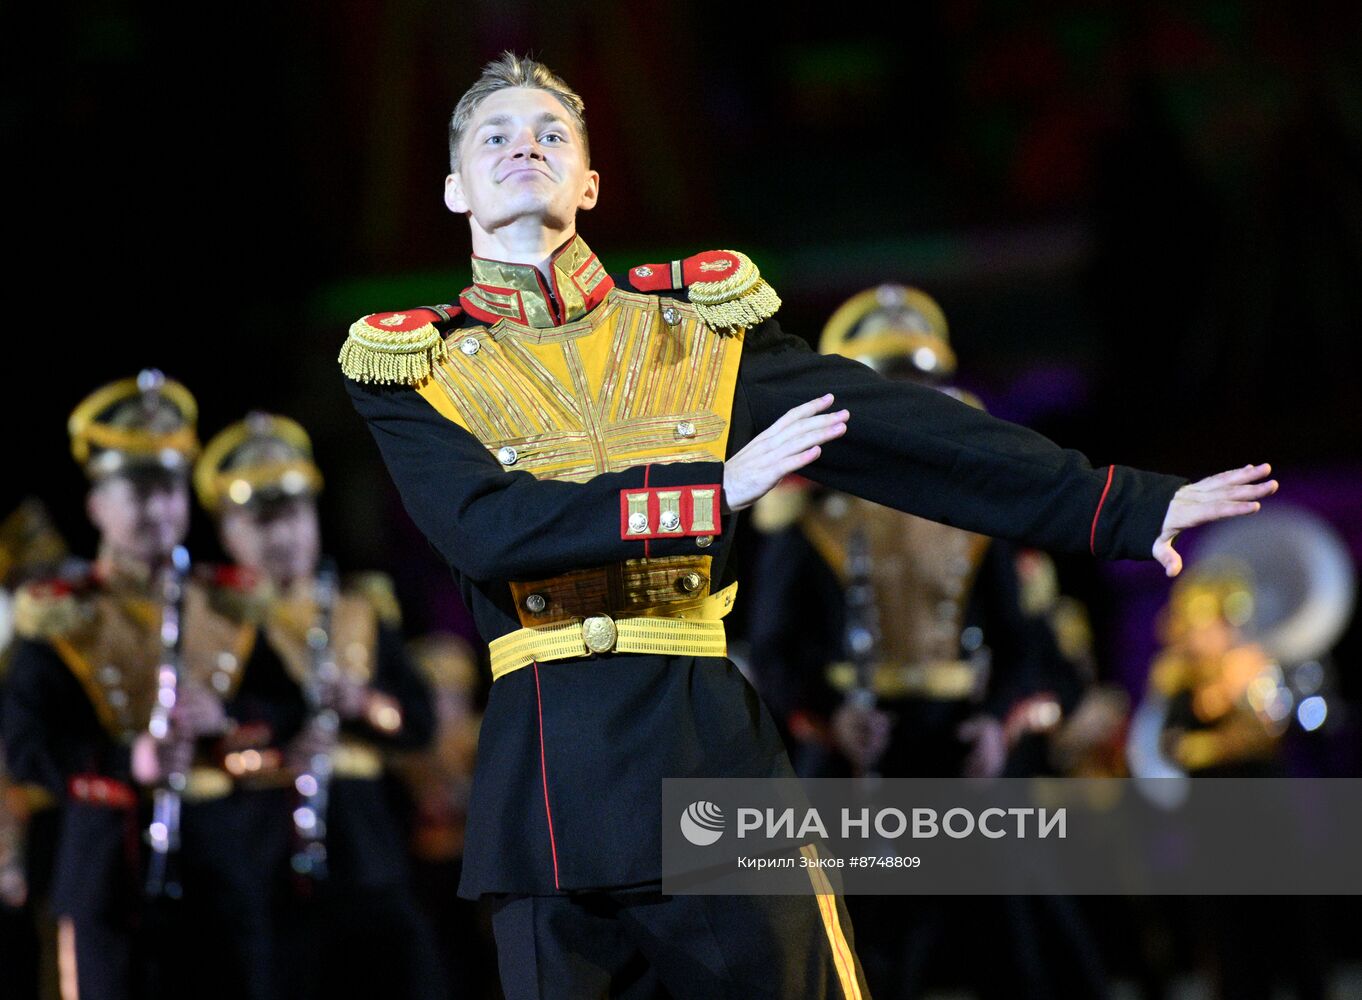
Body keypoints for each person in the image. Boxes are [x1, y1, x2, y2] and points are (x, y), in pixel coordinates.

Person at [339, 53, 1277, 1000]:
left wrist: (1119, 502)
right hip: (544, 793)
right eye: (494, 136)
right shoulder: (413, 364)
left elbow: (904, 429)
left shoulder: (695, 333)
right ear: (456, 187)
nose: (523, 147)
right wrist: (717, 487)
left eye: (551, 133)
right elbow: (490, 530)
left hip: (702, 755)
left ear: (589, 180)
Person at [1, 372, 282, 1000]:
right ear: (96, 504)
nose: (160, 509)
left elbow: (287, 711)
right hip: (106, 871)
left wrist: (226, 718)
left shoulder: (230, 602)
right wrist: (131, 760)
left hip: (225, 870)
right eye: (139, 491)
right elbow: (25, 748)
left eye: (172, 489)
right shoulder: (61, 612)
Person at [195, 411, 444, 1000]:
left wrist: (362, 701)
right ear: (228, 532)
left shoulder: (360, 608)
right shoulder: (215, 620)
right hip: (258, 862)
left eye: (296, 515)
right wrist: (277, 731)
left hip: (367, 856)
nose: (283, 536)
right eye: (261, 520)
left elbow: (420, 722)